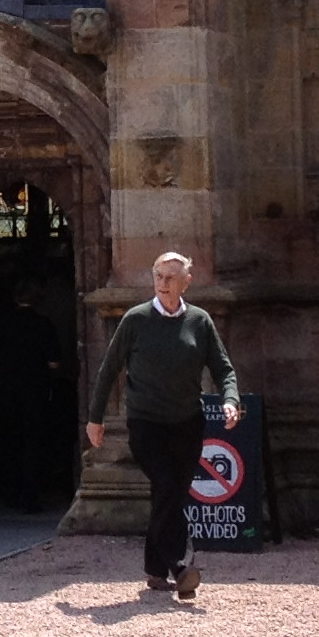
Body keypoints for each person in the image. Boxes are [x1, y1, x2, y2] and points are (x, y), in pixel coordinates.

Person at [85, 250, 240, 603]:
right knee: (167, 485)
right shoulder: (136, 319)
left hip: (187, 422)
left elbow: (222, 367)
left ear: (187, 281)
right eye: (158, 276)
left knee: (169, 494)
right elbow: (108, 369)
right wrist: (94, 418)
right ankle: (182, 567)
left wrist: (231, 400)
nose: (163, 283)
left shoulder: (199, 321)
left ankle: (155, 570)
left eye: (171, 277)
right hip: (146, 422)